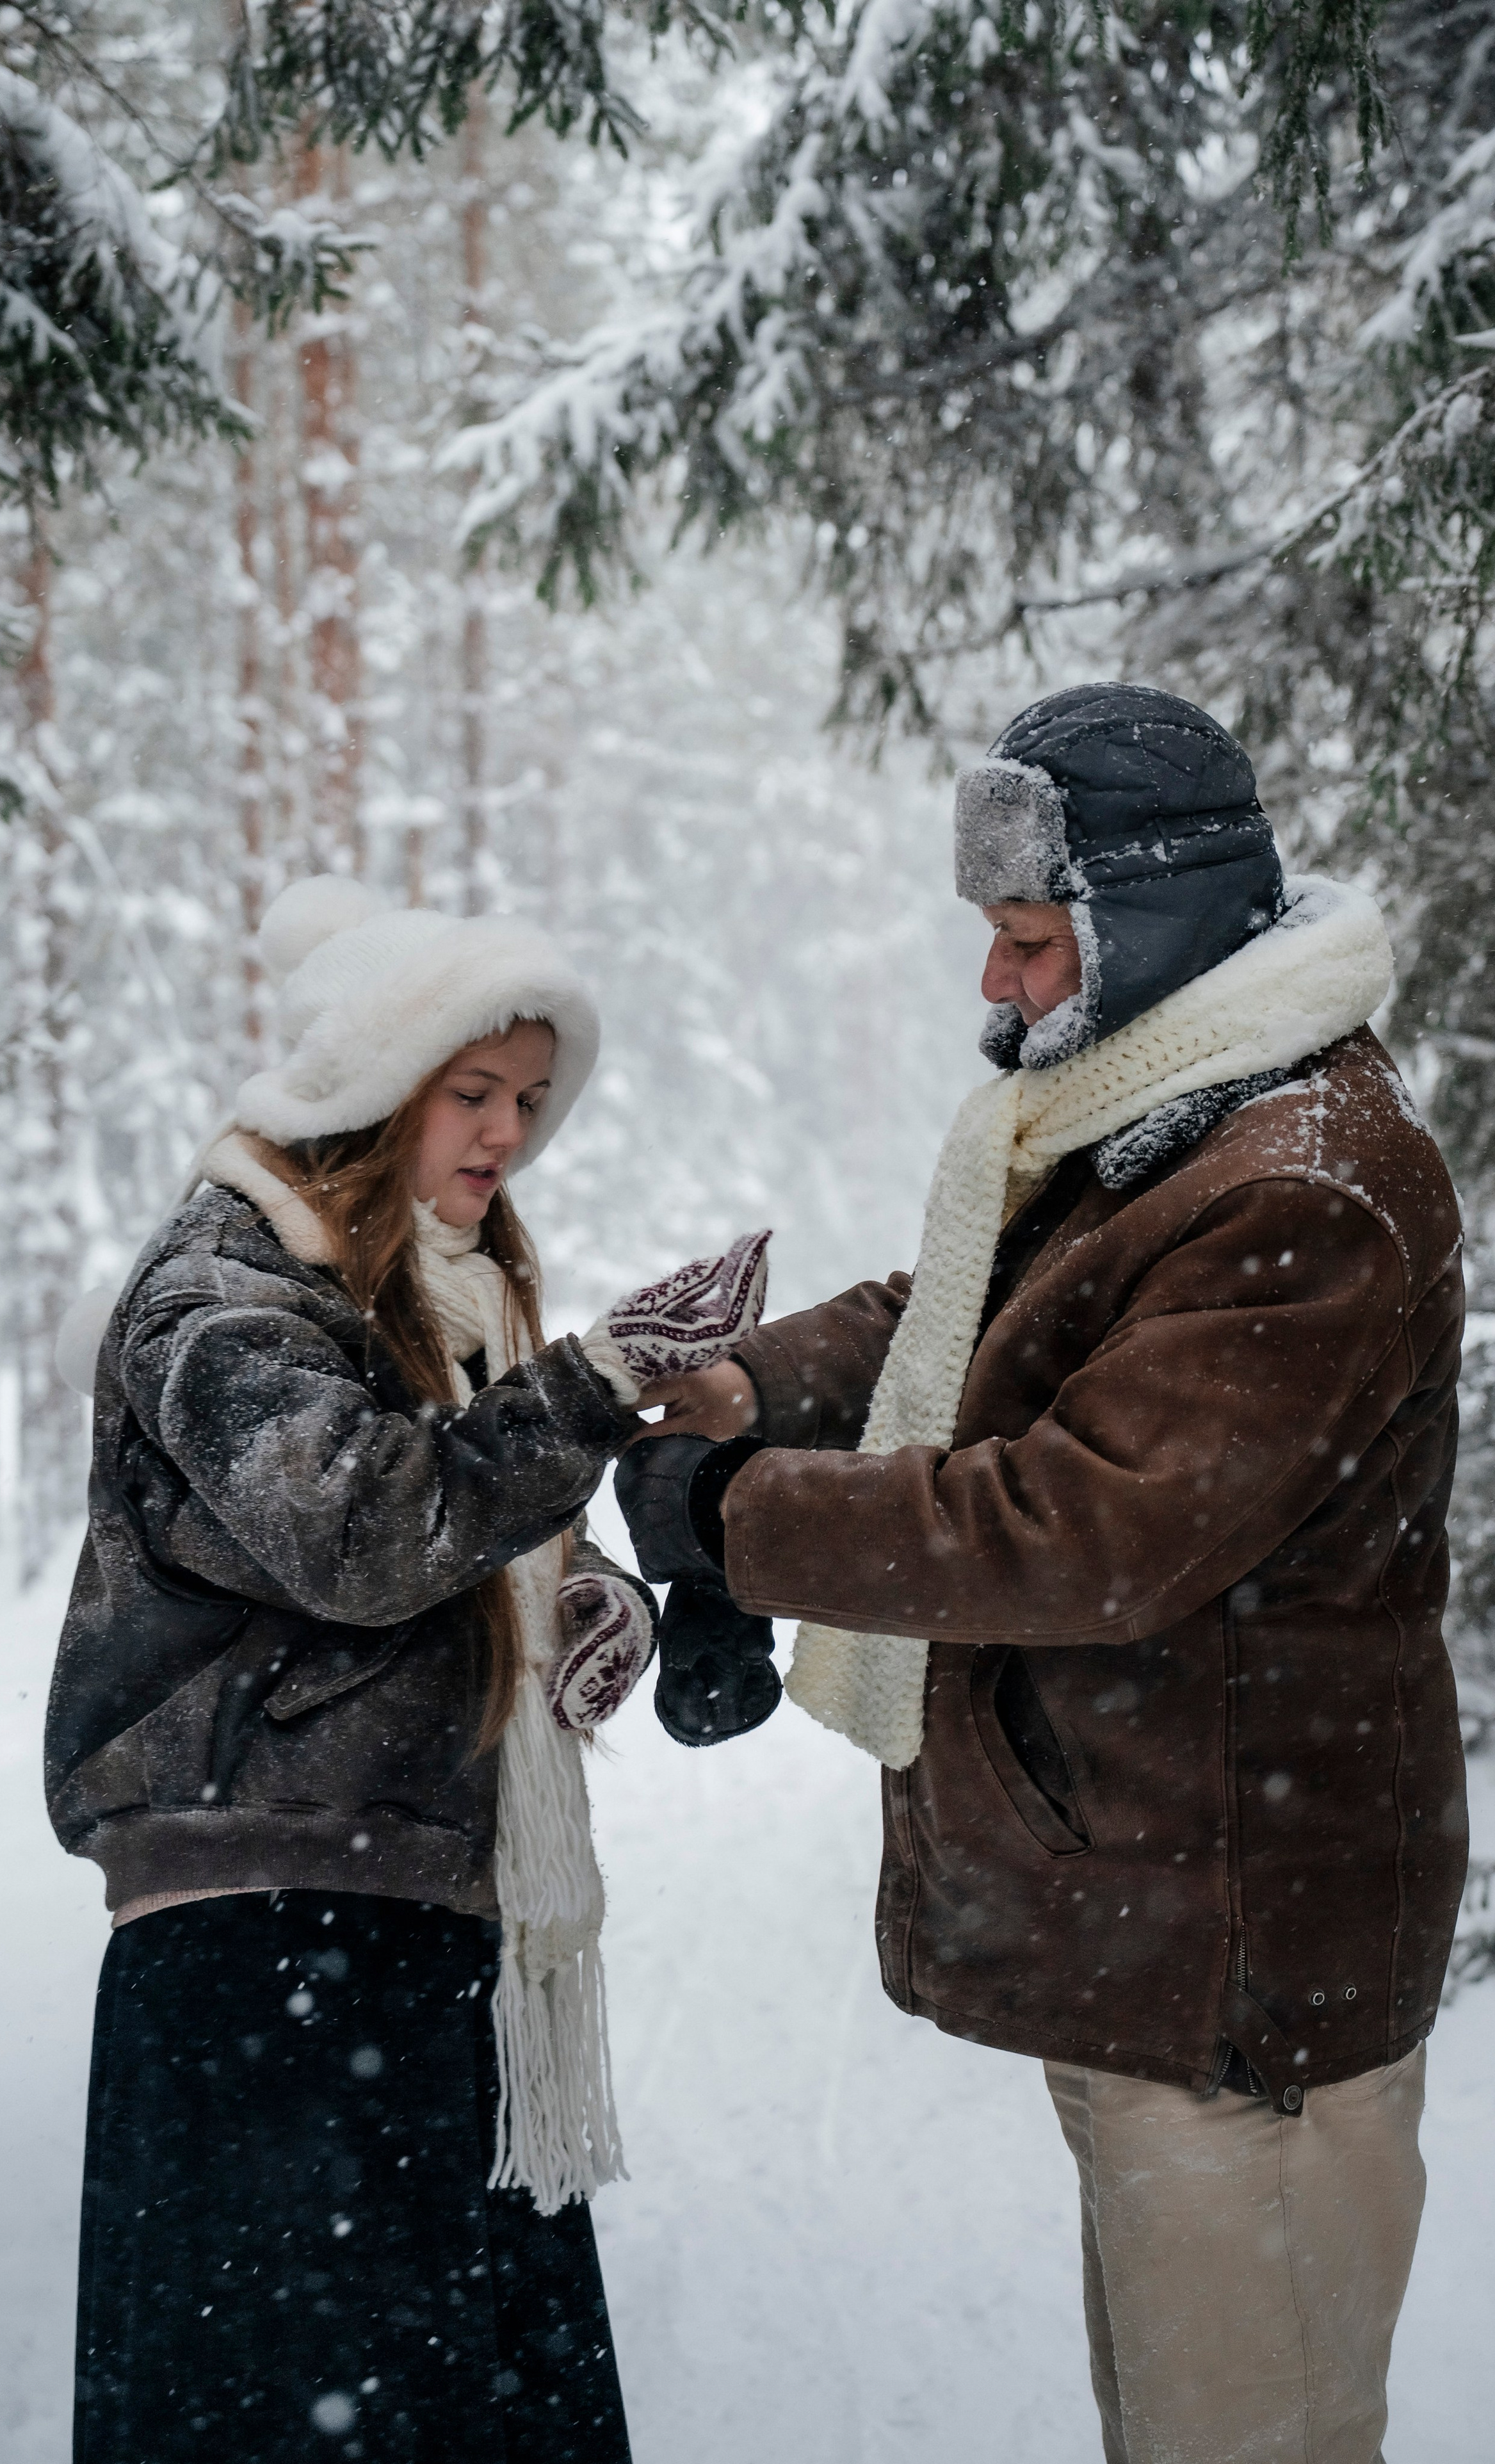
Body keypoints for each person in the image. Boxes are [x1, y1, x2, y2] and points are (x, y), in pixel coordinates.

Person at [618, 684, 1469, 2464]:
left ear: (1142, 925)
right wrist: (754, 1385)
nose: (996, 989)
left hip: (1248, 1985)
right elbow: (981, 1324)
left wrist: (737, 1515)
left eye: (1023, 942)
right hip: (1171, 1941)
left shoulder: (1302, 1186)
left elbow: (1088, 1532)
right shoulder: (1166, 1124)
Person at [44, 875, 769, 2464]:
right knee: (308, 2409)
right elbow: (361, 1524)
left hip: (409, 1925)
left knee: (449, 2403)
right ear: (370, 1092)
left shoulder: (438, 1299)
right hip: (260, 1950)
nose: (508, 1131)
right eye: (472, 1092)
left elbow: (436, 1543)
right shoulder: (218, 1295)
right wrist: (588, 1386)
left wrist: (566, 1611)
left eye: (527, 1098)